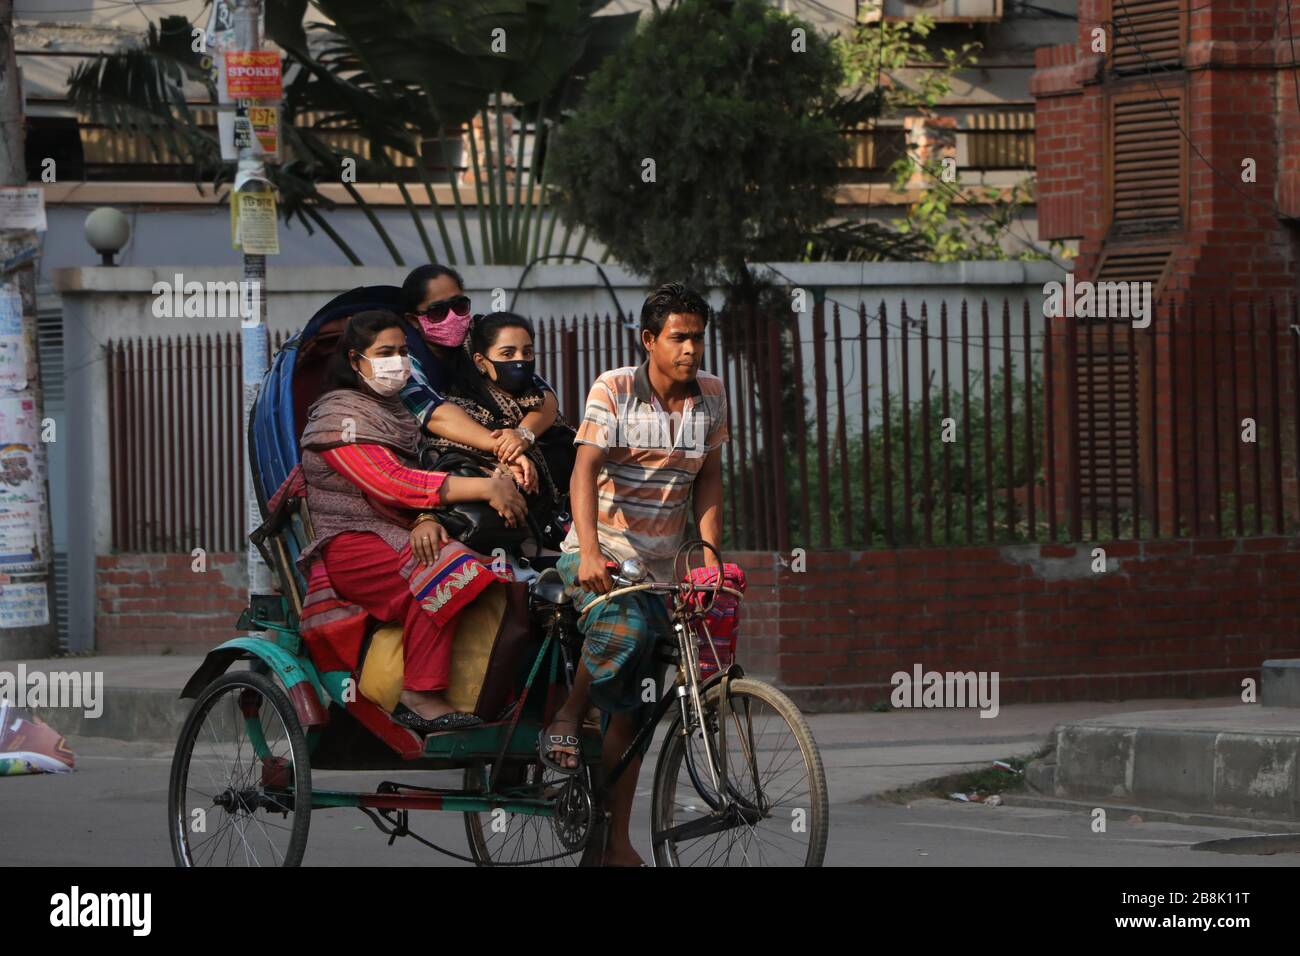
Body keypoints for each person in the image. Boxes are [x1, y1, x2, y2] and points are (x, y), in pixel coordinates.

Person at [547, 282, 729, 867]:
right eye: (678, 338)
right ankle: (569, 716)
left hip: (660, 565)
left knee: (638, 709)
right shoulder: (615, 389)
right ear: (649, 340)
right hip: (595, 551)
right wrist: (593, 550)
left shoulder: (712, 397)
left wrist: (708, 559)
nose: (691, 350)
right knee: (622, 627)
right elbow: (583, 471)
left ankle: (614, 842)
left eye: (698, 337)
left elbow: (708, 477)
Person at [296, 310, 528, 734]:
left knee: (507, 573)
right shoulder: (337, 417)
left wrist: (425, 517)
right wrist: (486, 489)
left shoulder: (398, 410)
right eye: (385, 353)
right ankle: (418, 693)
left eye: (403, 352)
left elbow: (424, 471)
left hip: (402, 531)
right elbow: (391, 481)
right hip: (352, 544)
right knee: (448, 567)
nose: (398, 362)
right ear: (354, 360)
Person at [398, 265, 560, 494]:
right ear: (414, 320)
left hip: (511, 441)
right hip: (442, 460)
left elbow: (545, 396)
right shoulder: (403, 354)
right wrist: (504, 449)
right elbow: (434, 414)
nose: (452, 317)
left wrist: (522, 436)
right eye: (438, 312)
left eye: (459, 305)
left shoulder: (479, 334)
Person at [424, 310, 575, 543]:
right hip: (503, 547)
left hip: (568, 537)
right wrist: (505, 462)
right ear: (481, 362)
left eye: (527, 352)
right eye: (507, 353)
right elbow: (448, 462)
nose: (520, 361)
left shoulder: (540, 405)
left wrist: (522, 437)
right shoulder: (464, 411)